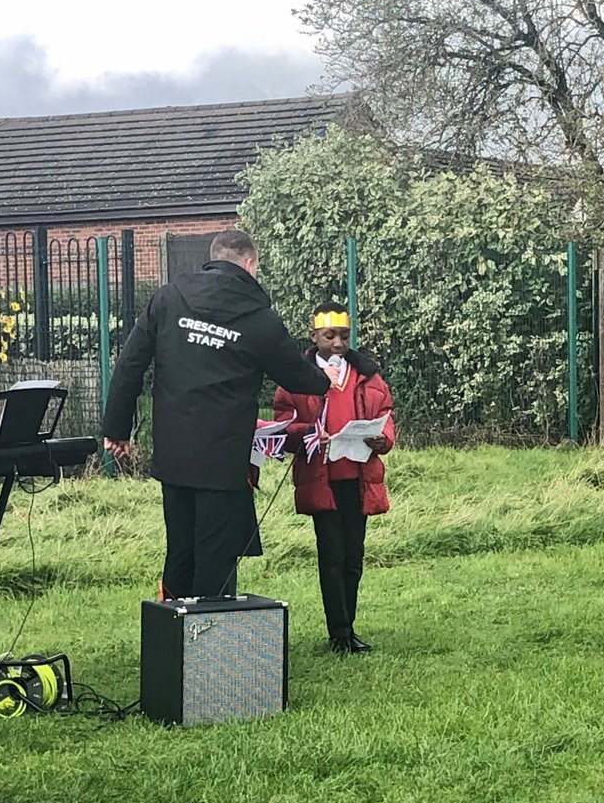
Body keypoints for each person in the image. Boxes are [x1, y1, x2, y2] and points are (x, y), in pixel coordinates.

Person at [103, 229, 329, 599]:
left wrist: (117, 429)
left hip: (174, 451)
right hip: (224, 457)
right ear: (249, 264)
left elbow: (130, 364)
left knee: (180, 548)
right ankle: (209, 627)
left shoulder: (169, 298)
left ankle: (173, 623)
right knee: (216, 554)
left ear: (213, 259)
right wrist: (326, 378)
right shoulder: (259, 319)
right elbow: (297, 376)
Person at [273, 302, 394, 654]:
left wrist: (382, 438)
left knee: (353, 557)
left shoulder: (367, 375)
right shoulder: (297, 377)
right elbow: (283, 424)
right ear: (314, 336)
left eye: (343, 335)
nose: (338, 343)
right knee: (332, 556)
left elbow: (385, 414)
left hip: (359, 478)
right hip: (321, 479)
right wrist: (308, 434)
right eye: (330, 336)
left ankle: (349, 626)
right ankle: (338, 632)